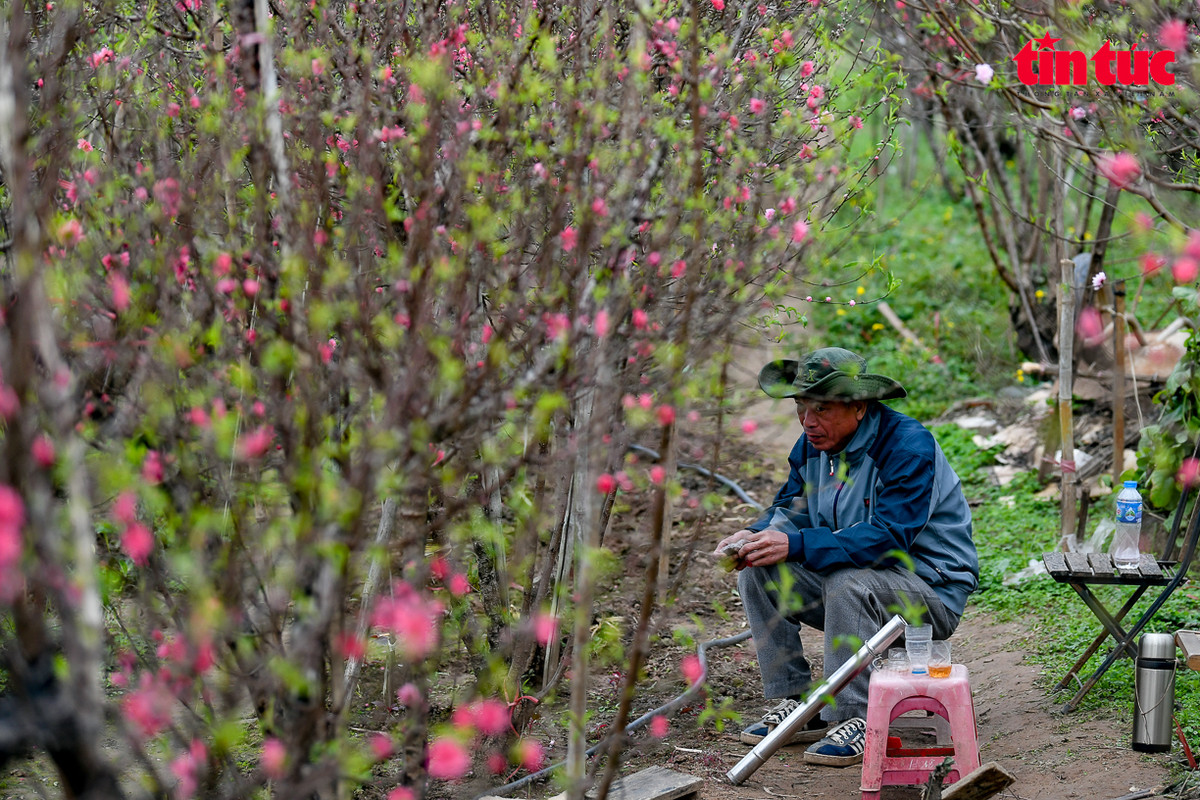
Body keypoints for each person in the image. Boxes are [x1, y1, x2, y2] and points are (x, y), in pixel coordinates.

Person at [714, 347, 978, 767]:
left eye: (822, 409)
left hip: (929, 593)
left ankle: (855, 715)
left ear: (859, 407)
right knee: (758, 570)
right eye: (802, 408)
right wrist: (755, 534)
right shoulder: (812, 446)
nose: (808, 422)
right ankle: (802, 704)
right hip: (862, 585)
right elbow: (791, 509)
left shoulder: (907, 446)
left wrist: (797, 545)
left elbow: (888, 540)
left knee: (847, 579)